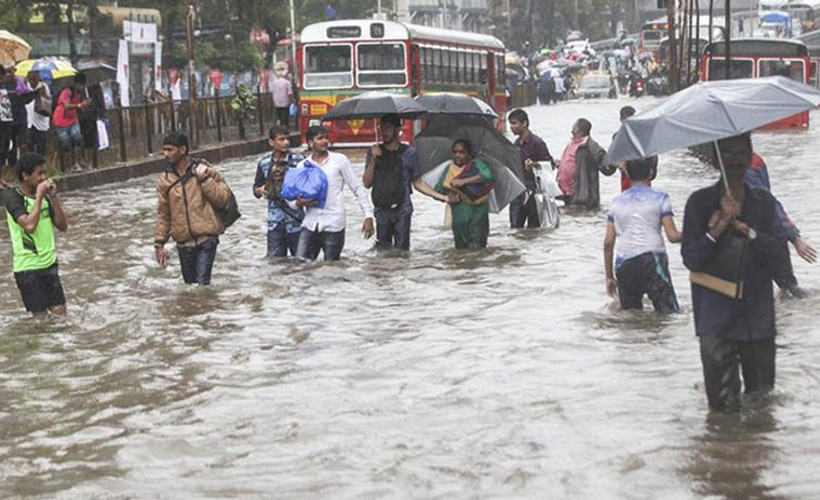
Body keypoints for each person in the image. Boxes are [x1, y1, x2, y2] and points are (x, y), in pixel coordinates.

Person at [681, 133, 787, 413]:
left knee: (762, 407)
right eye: (727, 154)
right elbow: (691, 259)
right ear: (716, 160)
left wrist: (747, 231)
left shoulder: (763, 202)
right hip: (716, 321)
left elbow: (778, 251)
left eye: (741, 153)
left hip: (757, 319)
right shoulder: (699, 203)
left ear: (750, 156)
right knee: (722, 413)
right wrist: (717, 228)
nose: (735, 160)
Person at [603, 156, 681, 313]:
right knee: (669, 313)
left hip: (624, 264)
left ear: (628, 174)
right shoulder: (661, 199)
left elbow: (608, 243)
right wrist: (700, 231)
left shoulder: (616, 202)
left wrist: (609, 276)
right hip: (652, 260)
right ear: (650, 173)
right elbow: (673, 236)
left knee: (631, 317)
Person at [154, 132, 232, 285]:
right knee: (190, 285)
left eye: (170, 150)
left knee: (202, 283)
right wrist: (159, 243)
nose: (166, 154)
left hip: (206, 237)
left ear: (183, 150)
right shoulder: (165, 180)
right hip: (183, 242)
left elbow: (223, 199)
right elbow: (164, 213)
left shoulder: (205, 170)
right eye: (164, 150)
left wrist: (204, 179)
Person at [362, 114, 447, 251]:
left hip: (402, 209)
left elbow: (417, 182)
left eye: (388, 128)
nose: (384, 132)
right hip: (381, 210)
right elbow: (367, 183)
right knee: (383, 252)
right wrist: (373, 159)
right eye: (382, 128)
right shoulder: (374, 152)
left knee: (402, 251)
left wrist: (440, 196)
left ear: (398, 130)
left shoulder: (409, 153)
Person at [295, 125, 374, 261]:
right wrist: (298, 203)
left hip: (334, 223)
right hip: (310, 223)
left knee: (332, 267)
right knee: (301, 265)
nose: (324, 141)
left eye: (326, 138)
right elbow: (293, 197)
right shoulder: (302, 166)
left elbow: (357, 189)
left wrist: (368, 215)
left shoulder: (339, 161)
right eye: (320, 138)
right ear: (310, 142)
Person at [4, 153, 68, 316]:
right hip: (28, 270)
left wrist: (54, 198)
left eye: (44, 173)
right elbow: (29, 226)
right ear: (25, 176)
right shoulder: (14, 198)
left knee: (61, 317)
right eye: (39, 173)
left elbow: (62, 226)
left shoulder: (46, 198)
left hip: (50, 265)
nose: (44, 178)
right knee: (41, 323)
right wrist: (39, 196)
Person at [744, 151, 816, 298]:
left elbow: (769, 202)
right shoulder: (753, 159)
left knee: (789, 290)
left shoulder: (746, 169)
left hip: (765, 234)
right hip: (766, 231)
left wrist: (794, 237)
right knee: (786, 290)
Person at [252, 125, 305, 257]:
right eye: (281, 139)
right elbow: (256, 188)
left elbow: (308, 186)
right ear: (271, 142)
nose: (286, 143)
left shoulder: (299, 161)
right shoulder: (264, 164)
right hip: (275, 223)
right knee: (275, 264)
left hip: (297, 222)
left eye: (287, 139)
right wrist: (260, 190)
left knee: (302, 263)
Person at [435, 139, 495, 250]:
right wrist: (448, 195)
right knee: (460, 253)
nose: (458, 155)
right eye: (455, 152)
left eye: (462, 152)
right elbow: (438, 189)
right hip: (459, 219)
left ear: (469, 154)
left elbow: (488, 176)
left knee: (477, 251)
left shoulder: (477, 164)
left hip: (477, 217)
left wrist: (464, 181)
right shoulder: (450, 169)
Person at [507, 108, 555, 228]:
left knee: (534, 228)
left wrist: (534, 165)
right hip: (518, 191)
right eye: (510, 124)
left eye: (514, 123)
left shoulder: (537, 143)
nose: (512, 127)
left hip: (534, 192)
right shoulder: (516, 144)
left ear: (524, 124)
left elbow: (550, 165)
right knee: (515, 228)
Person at [556, 118, 612, 209]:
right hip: (567, 194)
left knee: (583, 217)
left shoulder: (590, 145)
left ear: (579, 130)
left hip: (582, 196)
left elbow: (606, 166)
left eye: (574, 126)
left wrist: (613, 163)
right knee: (570, 219)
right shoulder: (571, 144)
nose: (572, 129)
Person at [610, 106, 657, 192]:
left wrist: (651, 168)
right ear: (621, 119)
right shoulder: (617, 137)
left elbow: (653, 156)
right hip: (627, 178)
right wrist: (620, 165)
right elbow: (612, 159)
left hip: (644, 177)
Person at [1, 66, 36, 179]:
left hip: (20, 118)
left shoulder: (21, 83)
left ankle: (24, 170)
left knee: (23, 144)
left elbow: (26, 99)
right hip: (7, 121)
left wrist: (31, 94)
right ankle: (9, 171)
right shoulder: (3, 86)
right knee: (9, 147)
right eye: (7, 72)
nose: (10, 74)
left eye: (12, 71)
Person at [53, 72, 90, 172]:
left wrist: (85, 105)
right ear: (75, 84)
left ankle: (77, 162)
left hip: (72, 118)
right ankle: (66, 166)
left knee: (77, 138)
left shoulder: (81, 94)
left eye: (83, 85)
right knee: (65, 143)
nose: (81, 87)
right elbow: (66, 105)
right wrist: (79, 105)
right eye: (80, 85)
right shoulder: (67, 91)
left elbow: (81, 108)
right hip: (61, 120)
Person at [78, 78, 106, 168]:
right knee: (80, 138)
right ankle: (82, 160)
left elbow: (99, 98)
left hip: (91, 115)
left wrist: (101, 113)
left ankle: (91, 161)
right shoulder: (76, 85)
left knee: (91, 139)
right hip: (80, 114)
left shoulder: (94, 83)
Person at [24, 70, 51, 156]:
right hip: (29, 121)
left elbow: (48, 101)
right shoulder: (26, 87)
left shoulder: (44, 86)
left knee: (41, 147)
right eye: (31, 79)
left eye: (35, 78)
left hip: (41, 122)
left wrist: (41, 93)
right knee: (29, 146)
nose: (33, 81)